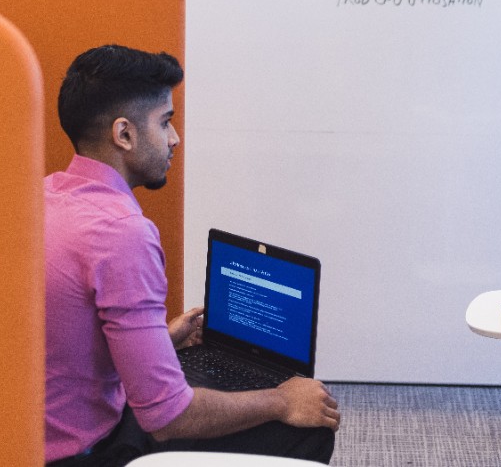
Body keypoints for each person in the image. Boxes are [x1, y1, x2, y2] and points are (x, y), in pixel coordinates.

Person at [44, 44, 340, 466]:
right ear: (124, 134)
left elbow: (75, 351)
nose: (174, 139)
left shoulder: (45, 196)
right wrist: (282, 401)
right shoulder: (121, 234)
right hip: (85, 453)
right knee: (305, 429)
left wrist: (162, 339)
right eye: (165, 122)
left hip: (32, 438)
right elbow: (167, 417)